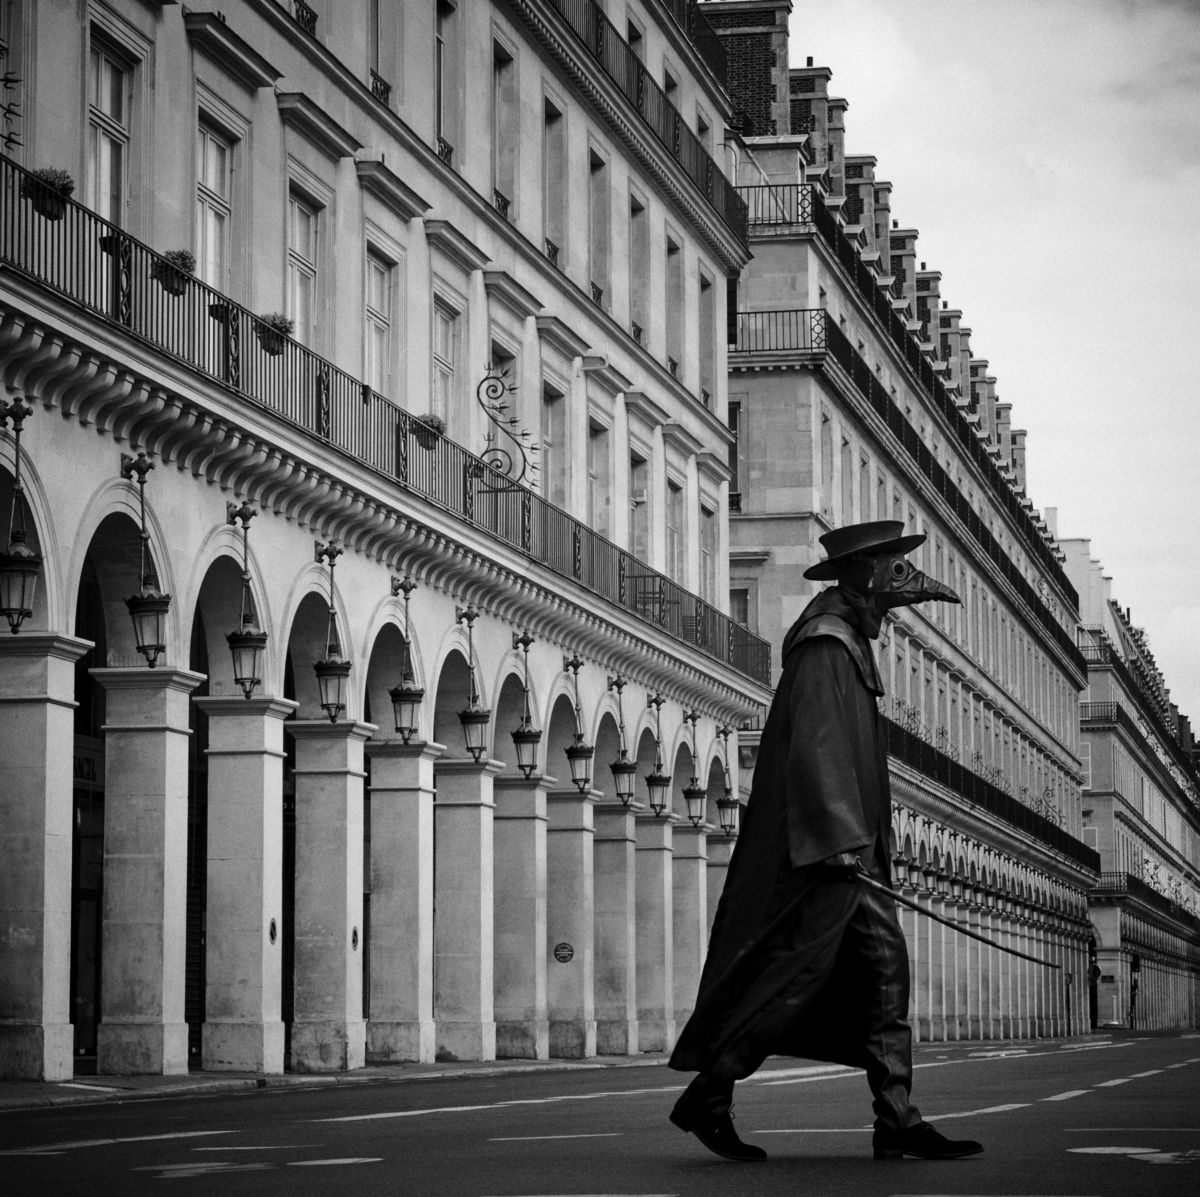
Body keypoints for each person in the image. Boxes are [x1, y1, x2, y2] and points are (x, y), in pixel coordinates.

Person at [668, 520, 984, 1163]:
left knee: (877, 976)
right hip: (832, 855)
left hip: (850, 849)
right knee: (799, 973)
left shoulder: (843, 641)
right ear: (866, 578)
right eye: (895, 570)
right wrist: (840, 839)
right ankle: (714, 1092)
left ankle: (894, 1116)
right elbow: (816, 744)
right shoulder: (826, 643)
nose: (905, 583)